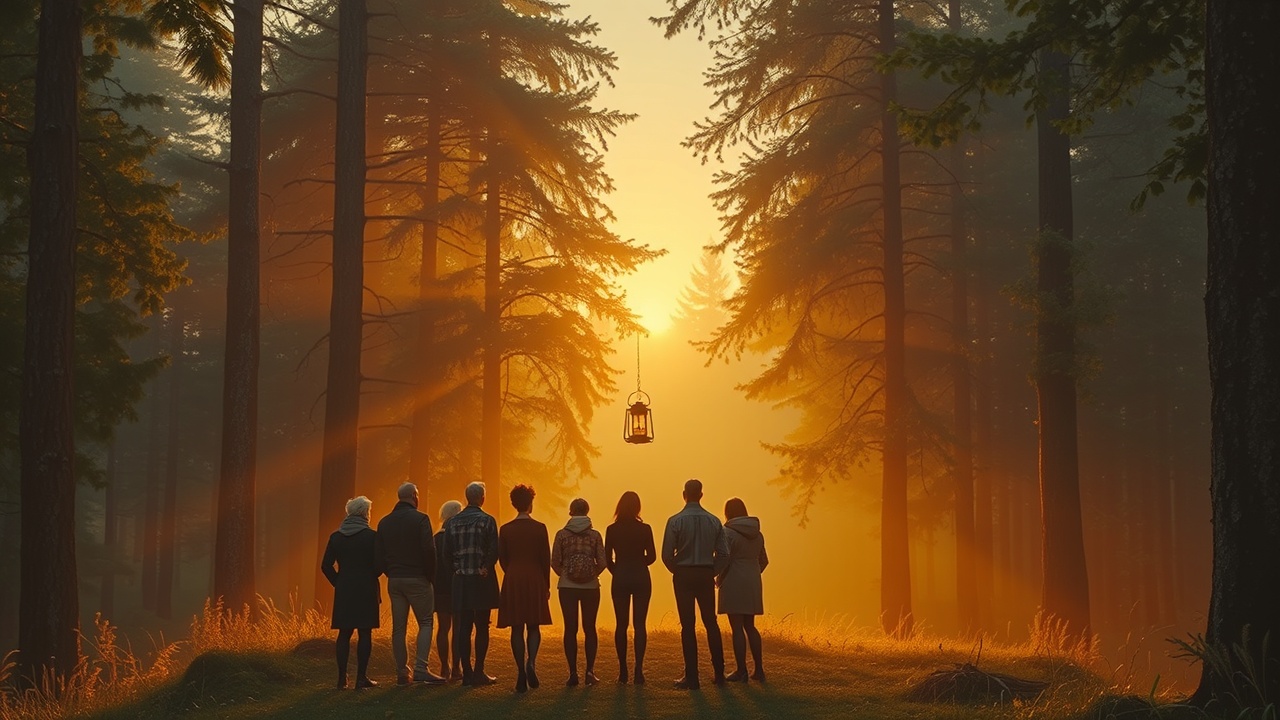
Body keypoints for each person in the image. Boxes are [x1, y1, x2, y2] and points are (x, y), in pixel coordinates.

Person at [661, 478, 730, 690]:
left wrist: (678, 570)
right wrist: (712, 570)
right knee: (711, 623)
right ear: (701, 495)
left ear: (684, 494)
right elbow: (724, 554)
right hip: (705, 573)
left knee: (687, 626)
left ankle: (692, 677)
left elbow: (666, 555)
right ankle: (719, 673)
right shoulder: (714, 521)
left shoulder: (675, 521)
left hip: (683, 574)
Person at [375, 482, 446, 685]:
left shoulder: (384, 522)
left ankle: (401, 671)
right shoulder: (421, 519)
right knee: (425, 622)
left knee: (399, 627)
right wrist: (430, 576)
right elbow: (429, 550)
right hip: (417, 578)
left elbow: (379, 555)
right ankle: (421, 668)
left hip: (395, 580)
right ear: (415, 496)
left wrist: (390, 572)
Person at [441, 481, 500, 686]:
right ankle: (479, 671)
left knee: (463, 627)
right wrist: (486, 566)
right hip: (481, 579)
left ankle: (466, 673)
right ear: (482, 498)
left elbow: (446, 554)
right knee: (483, 626)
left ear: (467, 498)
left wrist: (455, 571)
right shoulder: (488, 521)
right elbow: (494, 549)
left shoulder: (452, 523)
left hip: (462, 580)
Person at [321, 495, 381, 690]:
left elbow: (326, 566)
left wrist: (338, 582)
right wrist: (372, 574)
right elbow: (379, 564)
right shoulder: (372, 536)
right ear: (365, 513)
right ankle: (361, 678)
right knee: (365, 632)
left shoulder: (336, 537)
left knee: (344, 633)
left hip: (344, 589)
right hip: (366, 588)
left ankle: (341, 679)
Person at [497, 484, 553, 693]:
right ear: (530, 503)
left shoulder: (506, 529)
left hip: (513, 578)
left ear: (514, 504)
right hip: (535, 577)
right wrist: (545, 585)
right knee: (533, 625)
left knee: (516, 627)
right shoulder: (540, 528)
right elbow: (544, 559)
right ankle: (532, 662)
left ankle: (520, 669)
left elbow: (502, 559)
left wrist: (511, 572)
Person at [551, 497, 606, 686]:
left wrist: (566, 574)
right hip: (591, 587)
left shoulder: (561, 535)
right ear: (587, 511)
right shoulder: (595, 535)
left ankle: (572, 672)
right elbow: (603, 562)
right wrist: (590, 574)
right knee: (590, 628)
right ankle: (590, 672)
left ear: (571, 512)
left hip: (567, 587)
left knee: (570, 628)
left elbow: (555, 561)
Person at [605, 490, 656, 685]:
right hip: (641, 576)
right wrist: (639, 562)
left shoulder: (612, 529)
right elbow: (651, 557)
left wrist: (618, 570)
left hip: (621, 577)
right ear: (638, 507)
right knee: (640, 624)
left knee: (621, 624)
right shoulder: (645, 529)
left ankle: (623, 670)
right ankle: (639, 670)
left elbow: (607, 558)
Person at [717, 497, 769, 682]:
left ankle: (741, 670)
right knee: (750, 626)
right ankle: (759, 670)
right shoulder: (758, 534)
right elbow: (764, 560)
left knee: (737, 627)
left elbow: (724, 559)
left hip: (733, 580)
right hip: (753, 580)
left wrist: (718, 577)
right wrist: (753, 572)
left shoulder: (727, 533)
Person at [433, 500, 463, 681]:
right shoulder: (458, 538)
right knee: (458, 628)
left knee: (443, 628)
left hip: (440, 588)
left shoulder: (435, 538)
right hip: (457, 586)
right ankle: (457, 668)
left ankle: (444, 667)